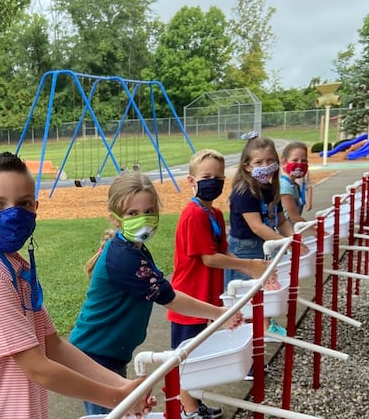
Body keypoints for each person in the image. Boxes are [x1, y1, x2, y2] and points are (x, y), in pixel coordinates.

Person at [0, 151, 155, 419]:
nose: (12, 214)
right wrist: (118, 398)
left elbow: (53, 345)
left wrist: (122, 386)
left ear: (35, 208)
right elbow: (39, 368)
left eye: (23, 204)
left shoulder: (14, 268)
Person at [70, 171, 244, 416]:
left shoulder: (133, 248)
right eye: (133, 213)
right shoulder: (124, 257)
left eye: (149, 211)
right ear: (115, 218)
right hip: (96, 355)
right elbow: (170, 298)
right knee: (110, 414)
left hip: (106, 353)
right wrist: (219, 314)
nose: (143, 219)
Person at [168, 149, 269, 419]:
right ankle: (187, 409)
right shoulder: (194, 215)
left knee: (199, 354)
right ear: (191, 180)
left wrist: (252, 268)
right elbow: (209, 259)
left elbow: (223, 251)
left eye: (218, 176)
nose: (212, 181)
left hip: (205, 299)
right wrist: (248, 265)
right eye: (206, 176)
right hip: (188, 299)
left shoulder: (213, 213)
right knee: (185, 358)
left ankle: (194, 403)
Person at [224, 135, 304, 348]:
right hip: (244, 248)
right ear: (247, 167)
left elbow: (280, 219)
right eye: (258, 162)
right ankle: (247, 337)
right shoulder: (244, 191)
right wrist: (287, 243)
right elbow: (257, 226)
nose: (265, 166)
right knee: (245, 294)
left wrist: (294, 240)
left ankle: (264, 325)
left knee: (263, 286)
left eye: (270, 161)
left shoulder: (270, 188)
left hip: (262, 244)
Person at [279, 141, 310, 224]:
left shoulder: (294, 184)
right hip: (284, 233)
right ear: (284, 163)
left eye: (303, 161)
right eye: (295, 160)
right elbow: (294, 218)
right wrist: (317, 229)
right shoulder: (285, 186)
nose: (300, 164)